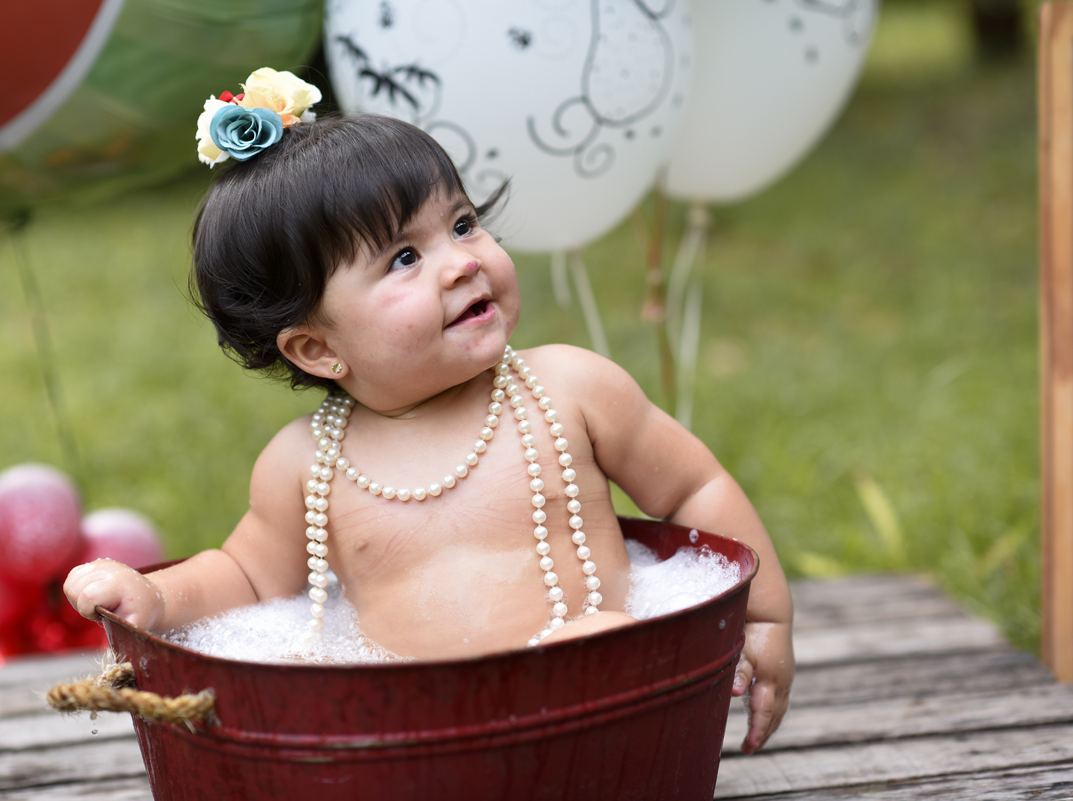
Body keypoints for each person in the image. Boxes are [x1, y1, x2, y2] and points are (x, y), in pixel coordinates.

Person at [64, 69, 794, 754]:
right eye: (405, 258)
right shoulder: (308, 463)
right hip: (420, 738)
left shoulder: (567, 388)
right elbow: (248, 578)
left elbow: (695, 488)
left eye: (464, 223)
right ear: (318, 348)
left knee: (595, 638)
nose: (463, 261)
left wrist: (764, 617)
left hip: (601, 713)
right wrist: (156, 595)